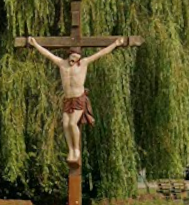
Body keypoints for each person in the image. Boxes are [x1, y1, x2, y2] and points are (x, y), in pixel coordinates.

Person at [26, 36, 126, 164]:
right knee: (65, 125)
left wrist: (115, 44)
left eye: (77, 56)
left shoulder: (83, 63)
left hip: (79, 98)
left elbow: (101, 53)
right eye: (73, 55)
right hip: (68, 99)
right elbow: (48, 54)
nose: (75, 57)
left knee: (73, 123)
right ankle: (71, 150)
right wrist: (35, 45)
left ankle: (76, 149)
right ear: (70, 55)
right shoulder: (62, 63)